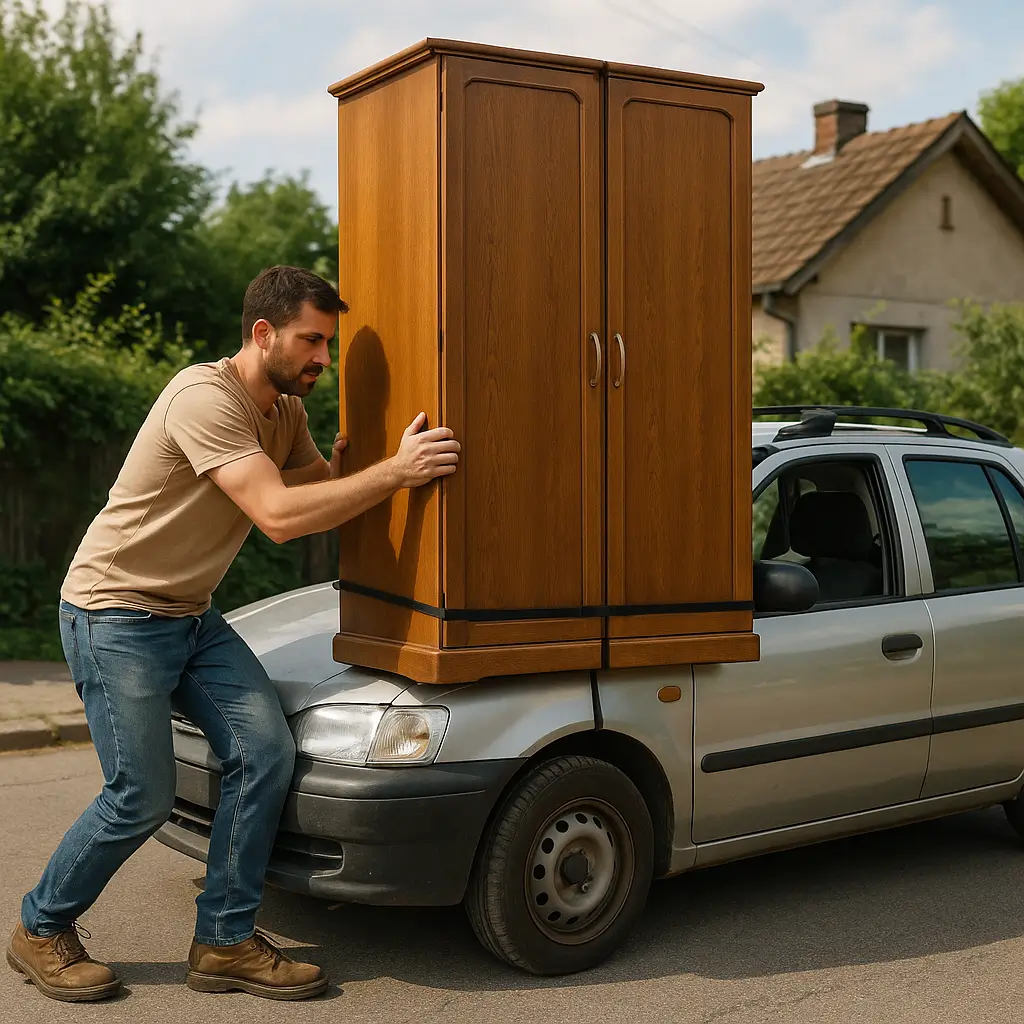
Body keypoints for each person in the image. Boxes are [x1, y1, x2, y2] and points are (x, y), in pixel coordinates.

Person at [5, 266, 460, 1003]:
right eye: (311, 340)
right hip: (114, 613)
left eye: (327, 342)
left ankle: (224, 942)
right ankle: (40, 928)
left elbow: (313, 494)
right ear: (263, 332)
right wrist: (396, 475)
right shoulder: (203, 397)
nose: (322, 357)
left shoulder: (285, 416)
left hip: (189, 616)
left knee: (264, 752)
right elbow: (280, 518)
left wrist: (358, 469)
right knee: (138, 796)